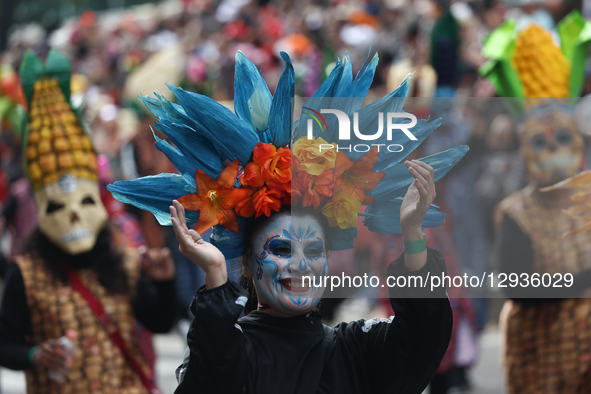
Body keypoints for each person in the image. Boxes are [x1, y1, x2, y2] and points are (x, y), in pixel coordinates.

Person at [107, 49, 469, 393]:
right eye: (281, 249)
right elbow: (213, 378)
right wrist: (216, 278)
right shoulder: (231, 351)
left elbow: (422, 342)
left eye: (314, 250)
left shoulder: (355, 351)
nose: (300, 264)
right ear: (247, 264)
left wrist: (412, 238)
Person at [0, 49, 177, 394]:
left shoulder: (124, 260)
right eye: (58, 207)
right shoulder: (27, 274)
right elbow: (5, 345)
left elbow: (158, 322)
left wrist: (165, 285)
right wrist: (35, 354)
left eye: (84, 201)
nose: (74, 215)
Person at [481, 11, 591, 393]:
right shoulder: (517, 213)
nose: (553, 155)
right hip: (540, 358)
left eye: (561, 140)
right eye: (540, 145)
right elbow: (517, 285)